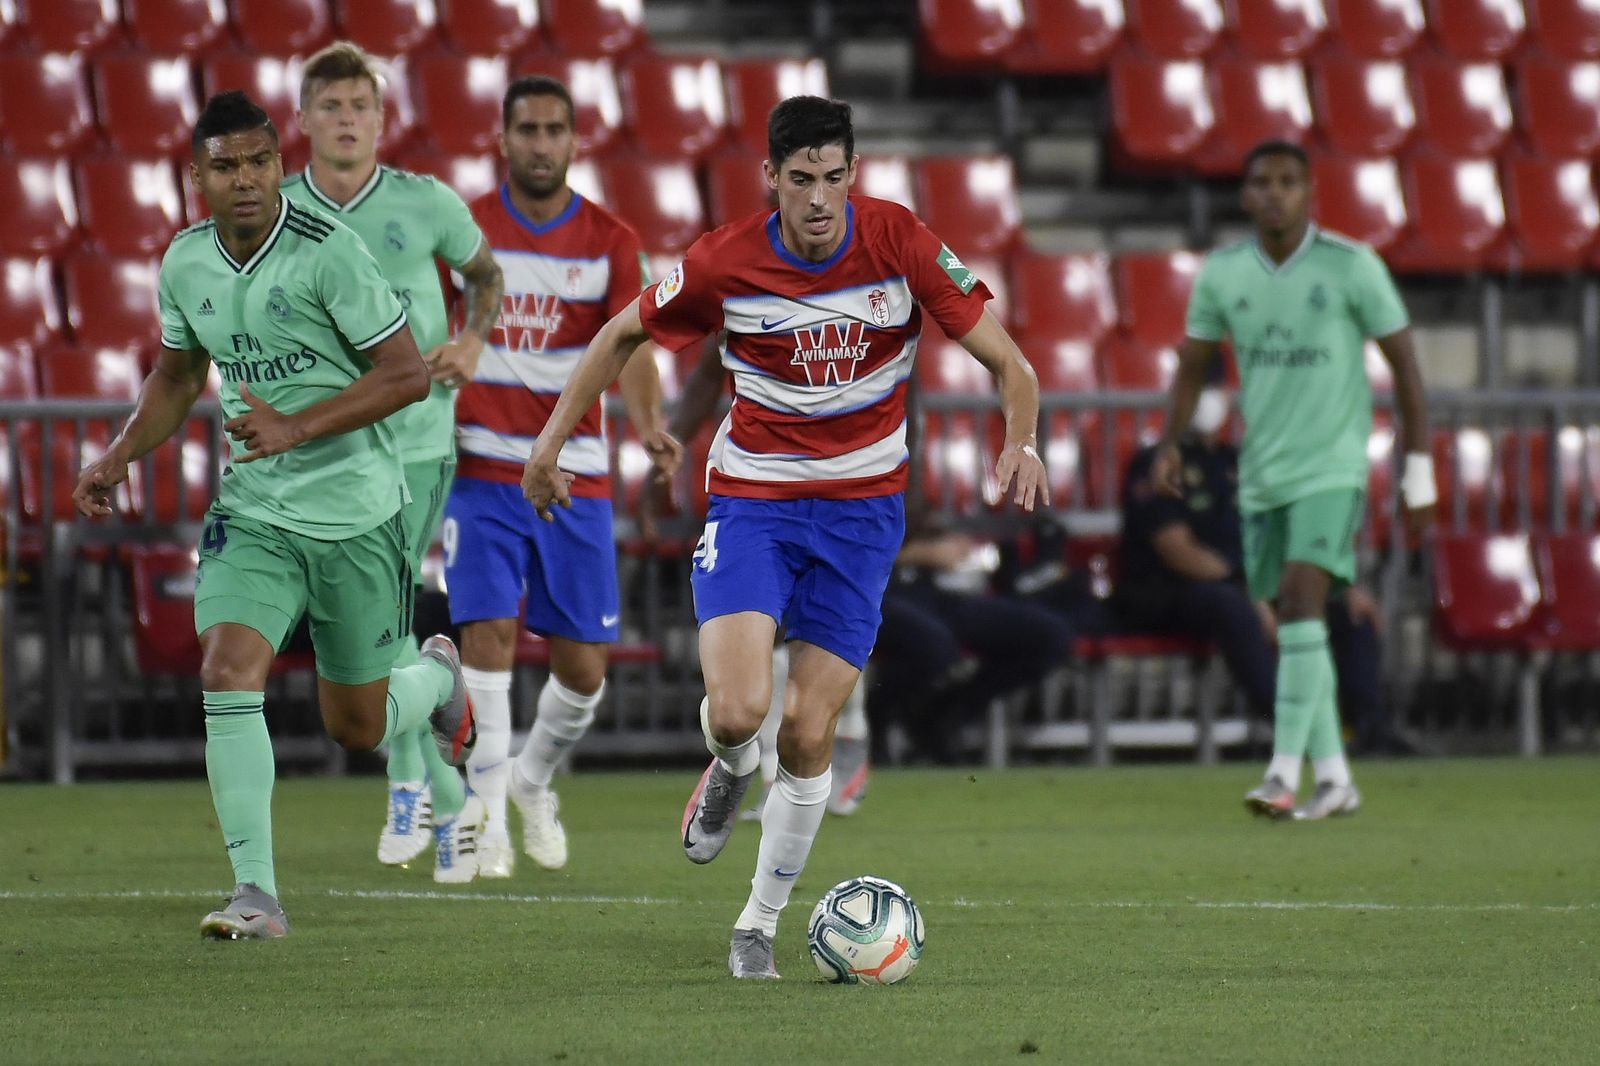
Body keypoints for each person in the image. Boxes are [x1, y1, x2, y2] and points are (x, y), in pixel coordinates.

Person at [522, 96, 1048, 978]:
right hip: (755, 505)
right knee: (739, 713)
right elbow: (619, 334)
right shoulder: (726, 260)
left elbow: (1012, 366)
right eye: (799, 179)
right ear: (770, 178)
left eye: (832, 178)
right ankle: (728, 767)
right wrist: (549, 445)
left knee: (808, 733)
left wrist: (1020, 440)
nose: (816, 198)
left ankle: (756, 927)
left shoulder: (903, 244)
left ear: (853, 174)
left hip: (862, 517)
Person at [71, 91, 474, 938]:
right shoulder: (185, 262)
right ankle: (255, 893)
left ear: (279, 164)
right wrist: (118, 454)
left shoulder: (331, 254)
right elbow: (178, 377)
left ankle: (438, 675)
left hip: (358, 515)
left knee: (356, 728)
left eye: (259, 162)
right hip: (254, 512)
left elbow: (404, 374)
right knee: (225, 669)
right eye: (226, 167)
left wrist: (296, 425)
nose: (246, 180)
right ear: (197, 177)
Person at [1154, 140, 1435, 821]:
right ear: (1246, 196)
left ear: (1311, 191)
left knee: (1304, 600)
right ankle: (1336, 778)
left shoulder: (1351, 266)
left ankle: (1282, 772)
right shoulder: (1222, 275)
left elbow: (1404, 367)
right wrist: (1170, 440)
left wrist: (1417, 469)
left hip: (1333, 466)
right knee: (1297, 622)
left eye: (1288, 181)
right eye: (1261, 182)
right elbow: (1194, 364)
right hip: (1262, 472)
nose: (1274, 193)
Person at [441, 76, 680, 878]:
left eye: (554, 130)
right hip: (479, 465)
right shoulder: (466, 229)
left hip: (576, 472)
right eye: (527, 130)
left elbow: (632, 344)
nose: (541, 144)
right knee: (490, 633)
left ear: (574, 142)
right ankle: (487, 815)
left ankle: (533, 780)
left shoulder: (610, 240)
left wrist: (648, 424)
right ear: (502, 140)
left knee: (583, 669)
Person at [283, 41, 505, 882]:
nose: (347, 120)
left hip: (412, 442)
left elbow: (485, 276)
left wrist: (472, 341)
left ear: (383, 119)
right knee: (376, 631)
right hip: (326, 452)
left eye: (361, 106)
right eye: (331, 106)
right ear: (303, 118)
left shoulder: (426, 201)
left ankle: (417, 788)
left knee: (385, 623)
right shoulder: (275, 211)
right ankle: (445, 795)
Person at [1119, 382, 1410, 755]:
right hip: (1169, 593)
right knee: (1230, 607)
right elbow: (1178, 552)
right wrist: (1249, 589)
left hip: (1247, 586)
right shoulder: (1156, 464)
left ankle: (1368, 730)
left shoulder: (1243, 464)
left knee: (1346, 611)